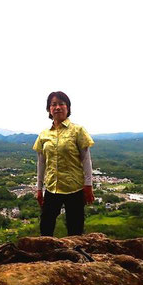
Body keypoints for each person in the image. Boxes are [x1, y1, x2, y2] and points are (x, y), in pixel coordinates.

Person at [32, 91, 95, 236]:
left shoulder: (78, 130)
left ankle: (75, 255)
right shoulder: (44, 134)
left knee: (75, 228)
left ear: (68, 108)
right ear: (49, 109)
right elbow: (41, 163)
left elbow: (86, 159)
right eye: (53, 104)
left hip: (75, 187)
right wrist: (39, 188)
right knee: (46, 226)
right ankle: (46, 255)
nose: (58, 107)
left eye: (61, 104)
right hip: (52, 187)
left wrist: (88, 184)